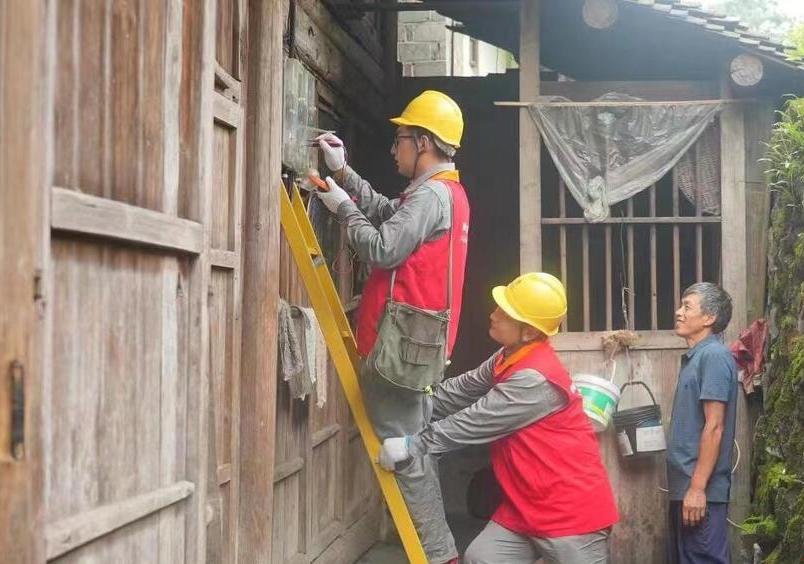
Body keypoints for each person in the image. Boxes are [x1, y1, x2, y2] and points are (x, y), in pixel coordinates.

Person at [314, 90, 470, 564]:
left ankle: (440, 555)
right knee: (415, 448)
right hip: (416, 344)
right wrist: (343, 174)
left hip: (400, 348)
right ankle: (440, 549)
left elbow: (382, 247)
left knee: (407, 454)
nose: (393, 149)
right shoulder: (444, 192)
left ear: (423, 142)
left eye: (400, 139)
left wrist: (343, 207)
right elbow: (389, 214)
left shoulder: (432, 195)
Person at [379, 273, 619, 564]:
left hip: (569, 513)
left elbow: (474, 422)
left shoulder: (534, 379)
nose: (493, 315)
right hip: (524, 506)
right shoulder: (508, 356)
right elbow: (460, 390)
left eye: (505, 313)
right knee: (482, 558)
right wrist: (406, 405)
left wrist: (410, 445)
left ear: (529, 332)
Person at [667, 283, 738, 564]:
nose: (679, 312)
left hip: (700, 492)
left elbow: (714, 427)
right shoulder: (696, 357)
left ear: (709, 318)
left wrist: (697, 489)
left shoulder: (714, 356)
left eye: (687, 306)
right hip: (687, 489)